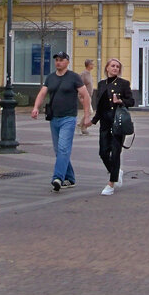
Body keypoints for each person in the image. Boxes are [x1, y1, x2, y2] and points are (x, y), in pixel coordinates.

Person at [30, 52, 91, 191]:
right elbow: (42, 93)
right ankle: (70, 178)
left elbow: (85, 96)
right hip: (54, 118)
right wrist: (35, 108)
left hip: (68, 118)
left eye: (61, 60)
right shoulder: (50, 77)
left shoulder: (74, 77)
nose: (58, 62)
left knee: (63, 148)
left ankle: (57, 178)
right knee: (59, 151)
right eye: (56, 60)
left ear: (67, 62)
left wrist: (86, 116)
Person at [90, 58, 135, 195]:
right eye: (113, 66)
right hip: (105, 122)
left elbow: (132, 101)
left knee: (115, 153)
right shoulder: (101, 84)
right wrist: (92, 121)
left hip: (118, 122)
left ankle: (111, 183)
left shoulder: (123, 84)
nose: (115, 68)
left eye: (117, 67)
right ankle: (116, 171)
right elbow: (100, 106)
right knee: (103, 152)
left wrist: (121, 100)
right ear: (107, 68)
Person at [78, 59, 95, 135]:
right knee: (89, 111)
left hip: (89, 96)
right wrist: (81, 96)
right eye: (92, 64)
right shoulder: (83, 74)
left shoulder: (89, 73)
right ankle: (83, 126)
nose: (93, 65)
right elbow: (79, 85)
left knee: (88, 111)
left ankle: (81, 125)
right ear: (88, 65)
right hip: (84, 96)